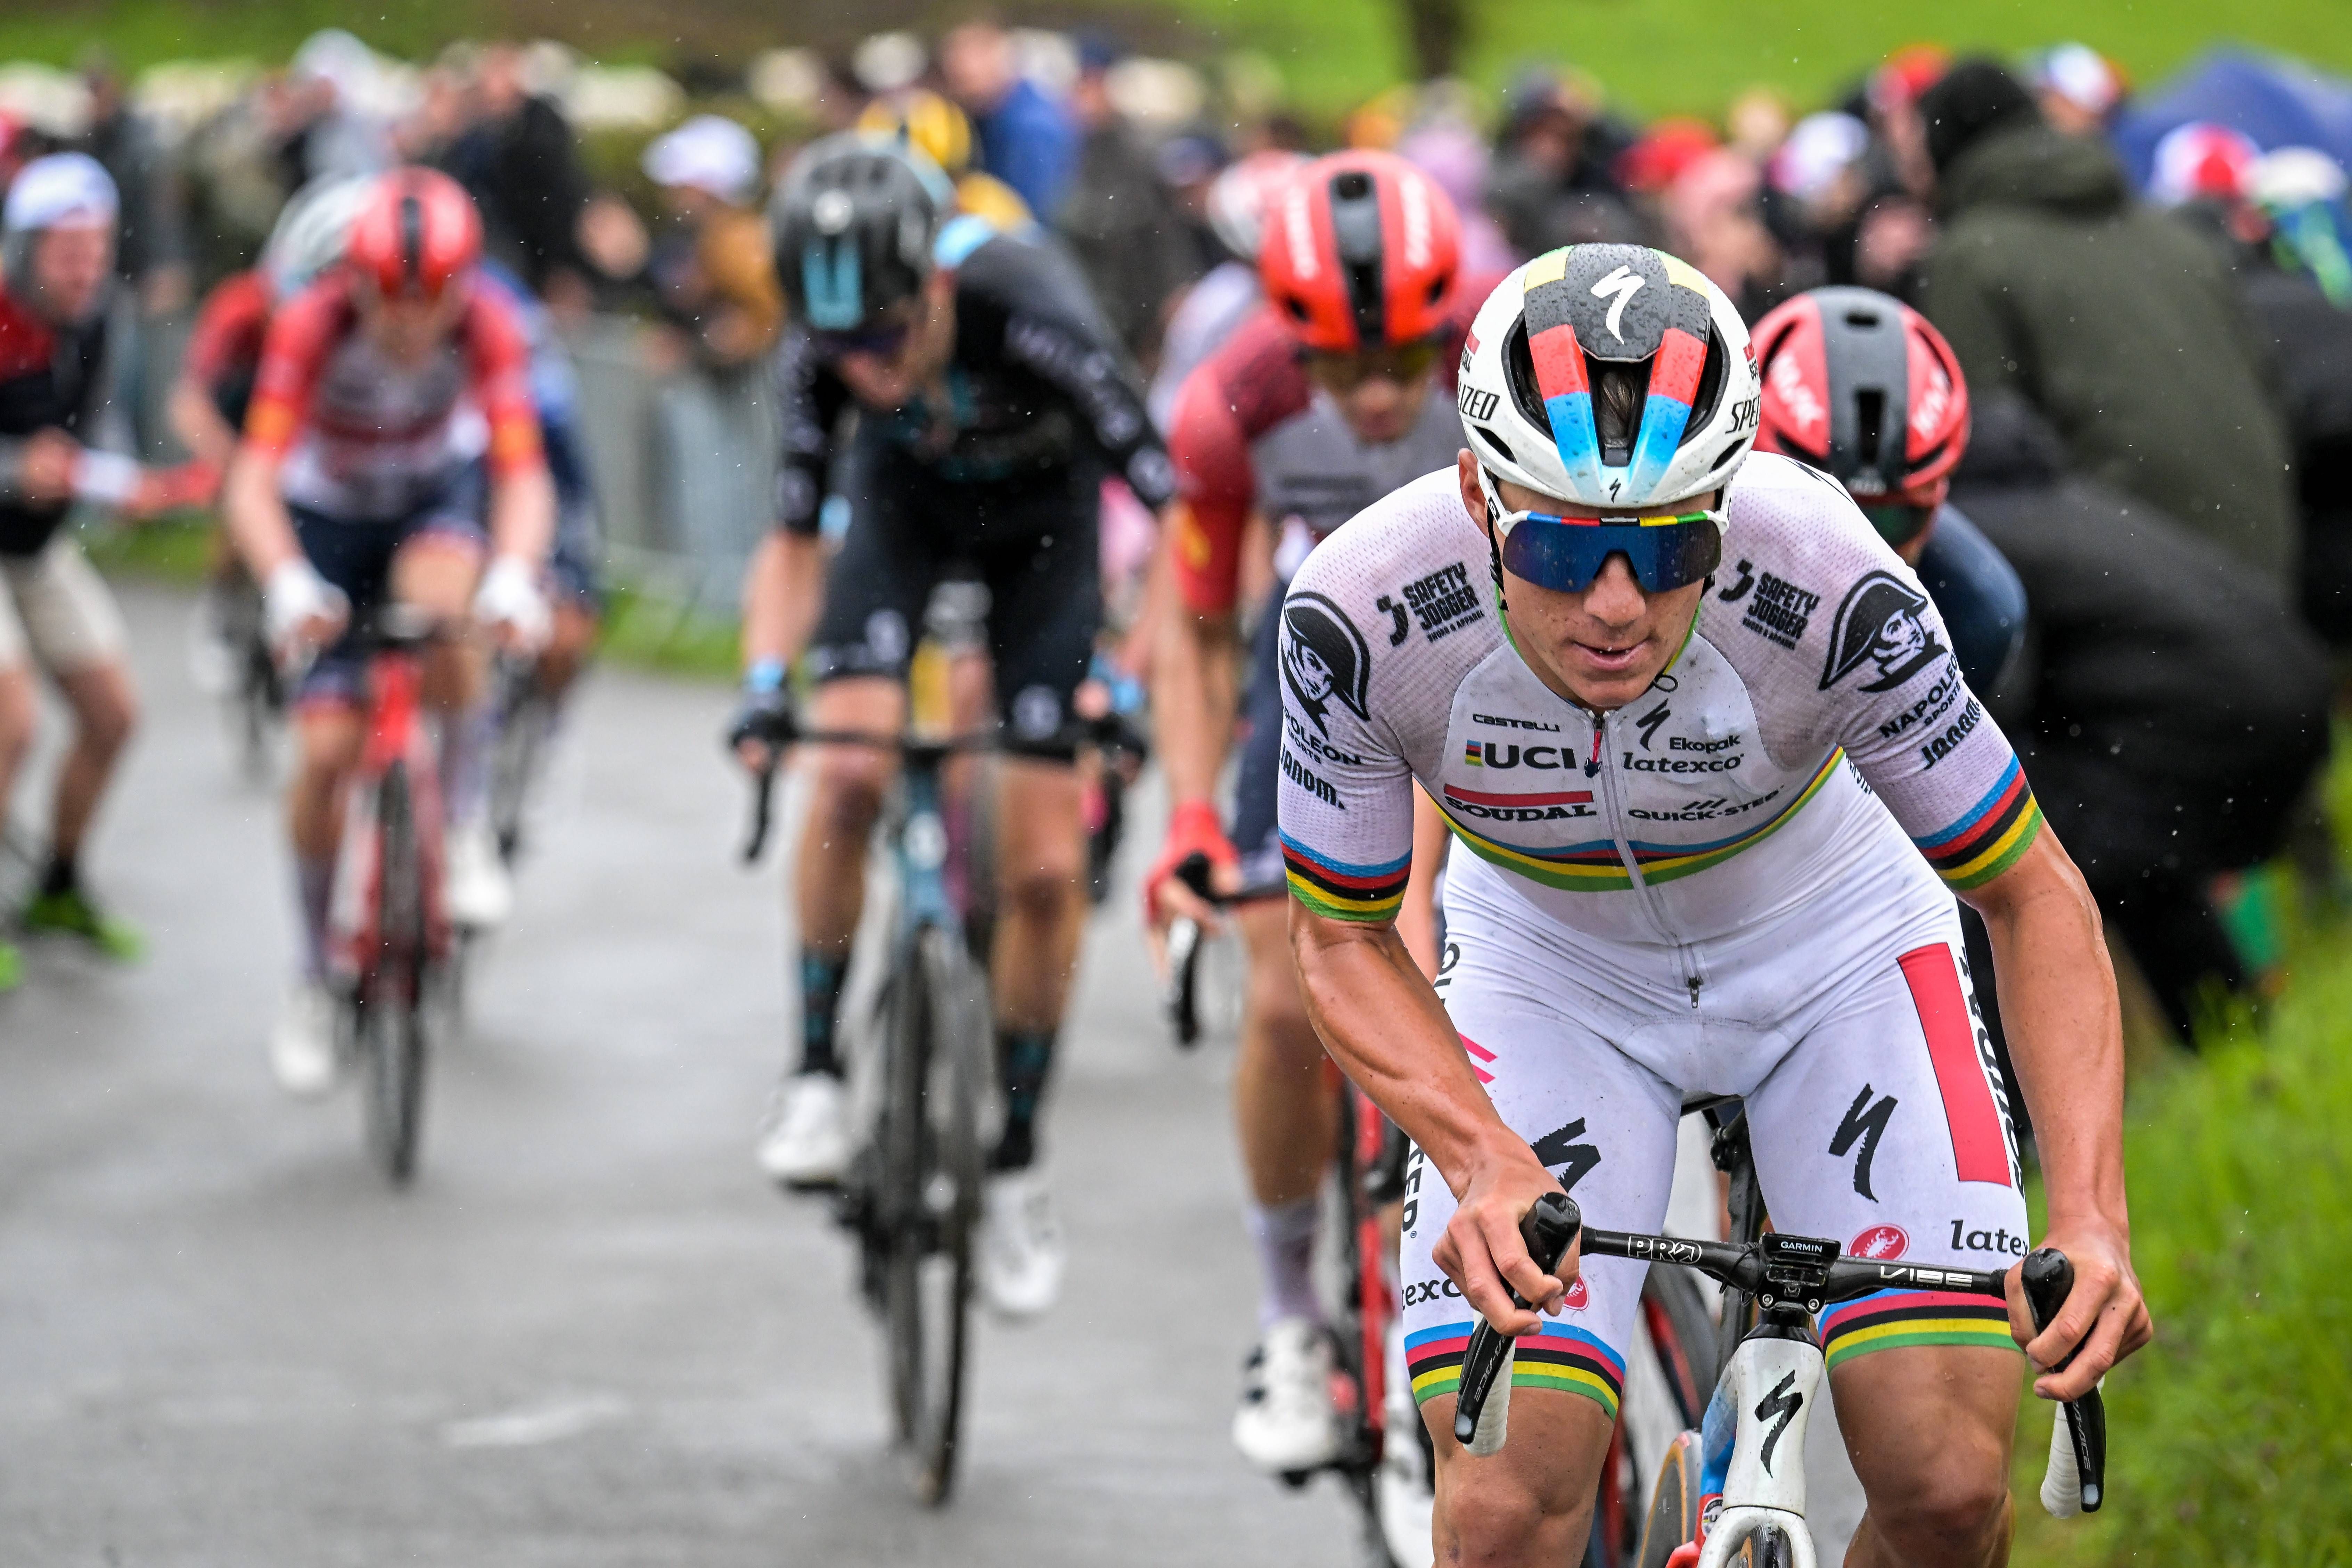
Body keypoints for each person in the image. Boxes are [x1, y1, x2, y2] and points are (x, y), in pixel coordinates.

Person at [1280, 244, 2150, 1565]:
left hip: (1836, 947)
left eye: (1671, 548)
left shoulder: (1830, 575)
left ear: (1729, 504)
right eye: (1561, 546)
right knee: (1503, 1512)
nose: (1615, 606)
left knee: (1945, 1487)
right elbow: (1341, 935)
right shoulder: (1361, 609)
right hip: (1550, 970)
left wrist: (2089, 1211)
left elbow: (2033, 894)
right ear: (1476, 495)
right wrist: (1480, 1156)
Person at [735, 135, 1173, 1318]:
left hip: (1045, 542)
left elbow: (1175, 510)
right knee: (845, 771)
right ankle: (815, 1071)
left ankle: (1016, 1158)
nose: (870, 370)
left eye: (888, 336)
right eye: (843, 350)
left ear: (934, 283)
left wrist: (1128, 678)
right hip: (905, 516)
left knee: (1043, 869)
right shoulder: (827, 352)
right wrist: (766, 682)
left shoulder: (1029, 306)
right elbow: (791, 539)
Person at [1142, 149, 1470, 1473]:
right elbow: (1193, 629)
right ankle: (1286, 1314)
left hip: (1495, 648)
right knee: (1288, 1004)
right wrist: (1187, 814)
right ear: (1292, 341)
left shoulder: (1504, 357)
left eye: (1404, 359)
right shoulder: (1232, 404)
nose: (1381, 395)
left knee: (1446, 960)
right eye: (1346, 367)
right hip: (1321, 653)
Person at [222, 166, 554, 1095]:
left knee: (447, 606)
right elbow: (253, 479)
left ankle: (464, 822)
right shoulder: (311, 323)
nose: (409, 325)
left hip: (428, 500)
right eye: (389, 301)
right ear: (356, 281)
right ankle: (311, 974)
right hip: (328, 517)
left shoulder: (489, 322)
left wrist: (515, 577)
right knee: (325, 754)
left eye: (430, 302)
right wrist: (285, 582)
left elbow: (522, 472)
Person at [1917, 60, 2299, 584]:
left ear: (1943, 156)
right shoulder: (2180, 241)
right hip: (2266, 569)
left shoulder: (1971, 254)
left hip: (2132, 583)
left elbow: (1982, 458)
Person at [0, 154, 210, 993]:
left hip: (39, 546)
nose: (85, 267)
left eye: (96, 248)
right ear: (25, 249)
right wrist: (16, 471)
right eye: (67, 251)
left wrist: (120, 485)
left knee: (113, 715)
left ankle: (57, 885)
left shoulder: (97, 318)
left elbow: (98, 428)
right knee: (12, 724)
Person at [171, 176, 372, 691]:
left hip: (315, 417)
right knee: (244, 499)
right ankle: (226, 600)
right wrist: (230, 460)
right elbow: (189, 402)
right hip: (250, 411)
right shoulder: (240, 305)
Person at [638, 115, 784, 374]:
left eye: (682, 183)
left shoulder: (737, 241)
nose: (670, 192)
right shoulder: (715, 237)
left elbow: (772, 317)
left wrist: (734, 338)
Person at [940, 19, 1079, 224]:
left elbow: (1030, 216)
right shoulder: (987, 113)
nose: (959, 87)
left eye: (965, 78)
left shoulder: (1029, 127)